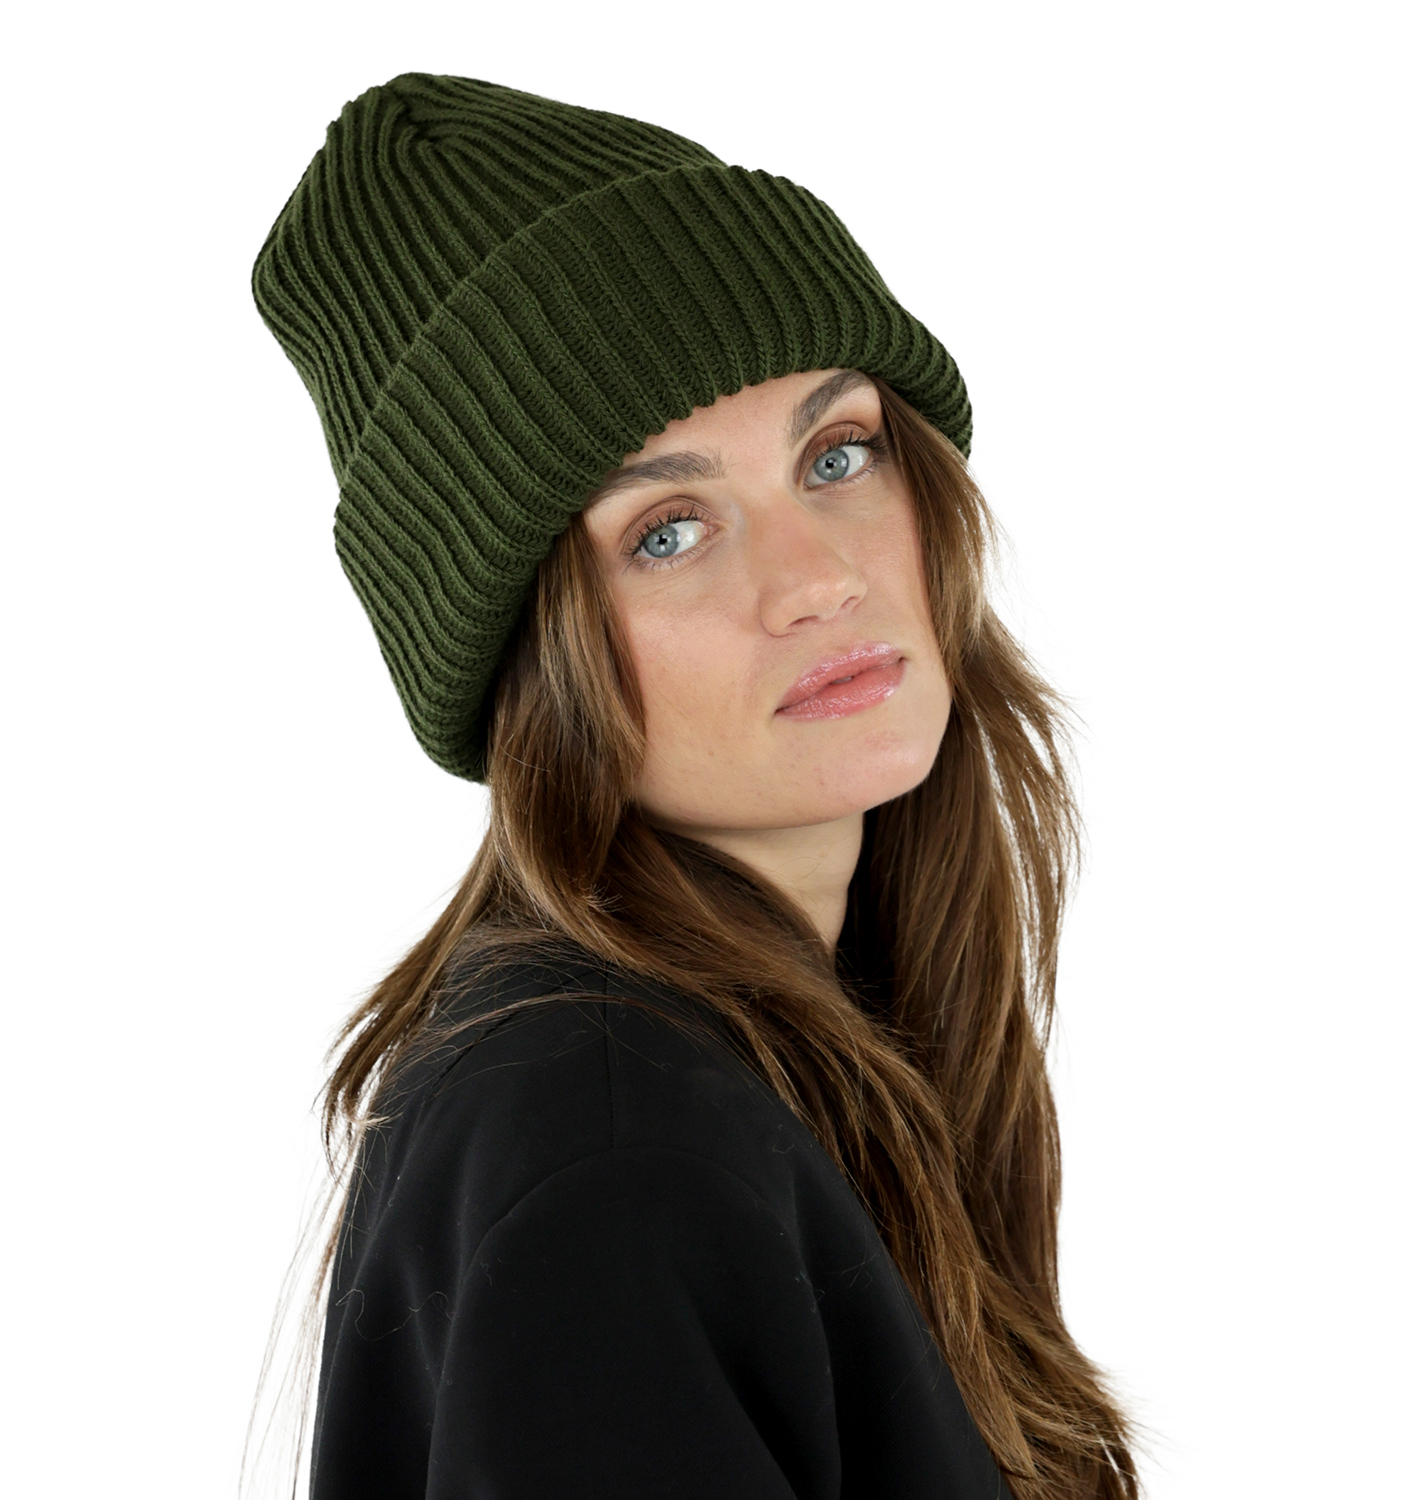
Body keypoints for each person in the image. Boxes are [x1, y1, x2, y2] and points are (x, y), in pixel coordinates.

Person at [252, 72, 1137, 1500]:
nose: (818, 578)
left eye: (837, 454)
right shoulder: (614, 1147)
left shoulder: (756, 1065)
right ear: (528, 655)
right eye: (667, 530)